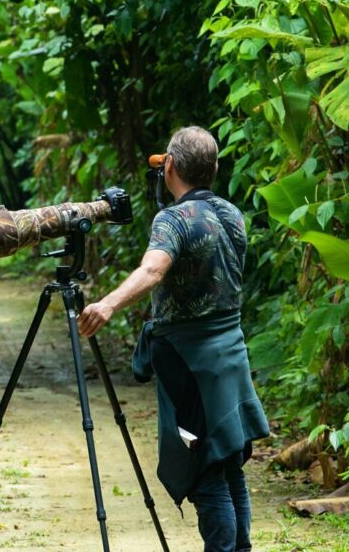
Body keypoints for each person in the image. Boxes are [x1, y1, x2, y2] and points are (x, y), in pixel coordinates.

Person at [77, 125, 269, 552]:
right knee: (229, 462)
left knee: (205, 469)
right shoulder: (232, 213)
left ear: (172, 167)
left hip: (191, 366)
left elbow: (153, 270)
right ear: (214, 169)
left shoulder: (174, 219)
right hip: (231, 353)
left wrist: (107, 304)